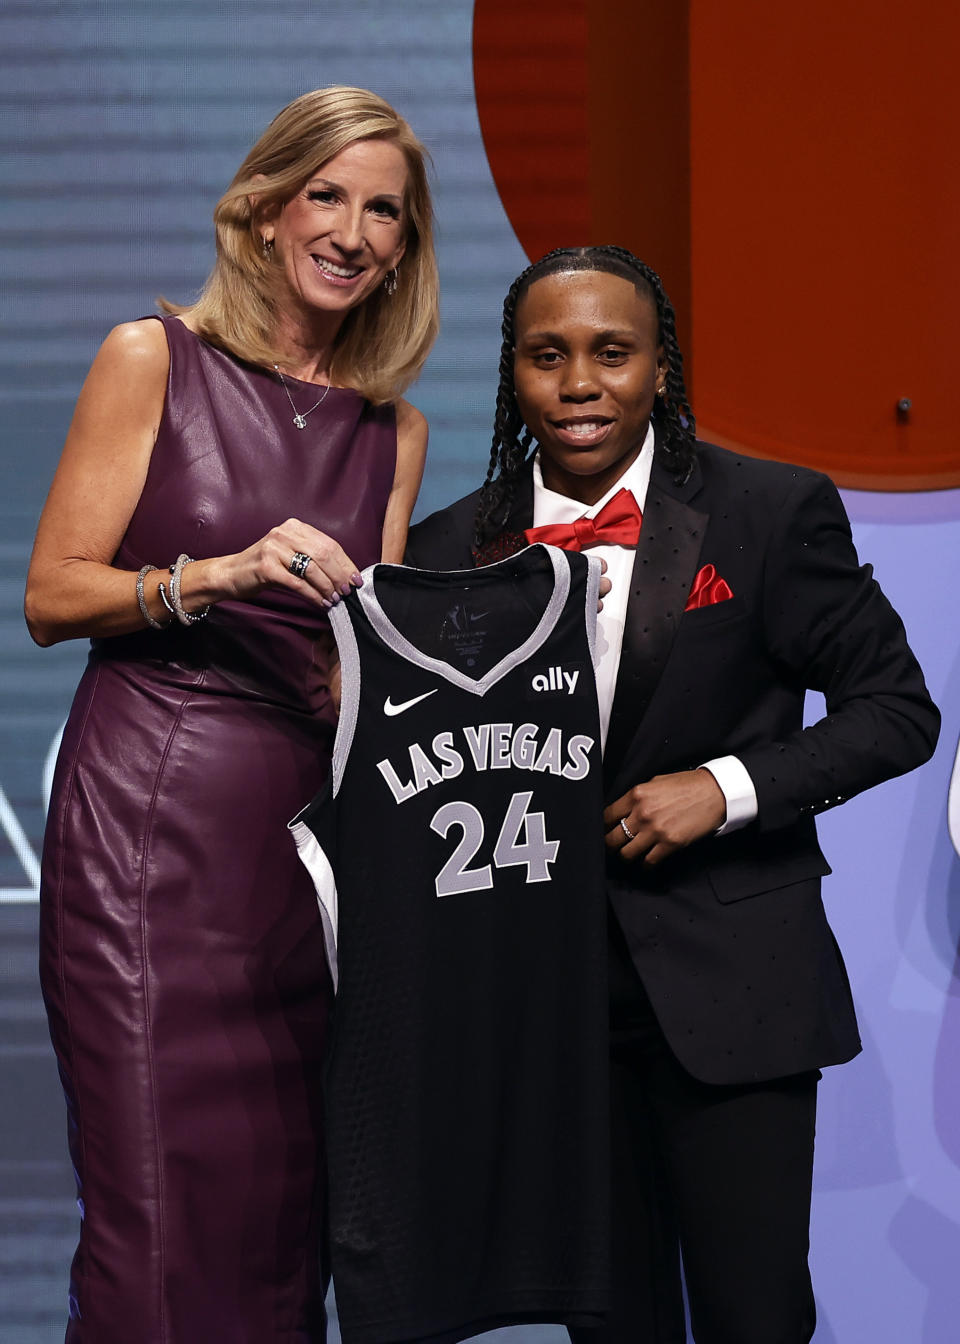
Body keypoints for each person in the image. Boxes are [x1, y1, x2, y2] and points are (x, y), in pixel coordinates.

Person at [404, 244, 939, 1344]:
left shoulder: (768, 511)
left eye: (612, 352)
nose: (582, 382)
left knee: (755, 1319)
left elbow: (897, 709)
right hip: (544, 1011)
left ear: (660, 368)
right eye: (548, 356)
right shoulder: (445, 548)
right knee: (607, 1325)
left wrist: (728, 786)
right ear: (513, 374)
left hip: (734, 989)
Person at [24, 86, 438, 1344]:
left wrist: (372, 679)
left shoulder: (393, 431)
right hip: (150, 830)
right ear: (264, 211)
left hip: (305, 858)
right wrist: (222, 574)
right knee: (159, 1207)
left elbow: (356, 665)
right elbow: (52, 595)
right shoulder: (150, 357)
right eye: (329, 196)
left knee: (281, 1214)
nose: (355, 232)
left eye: (387, 213)